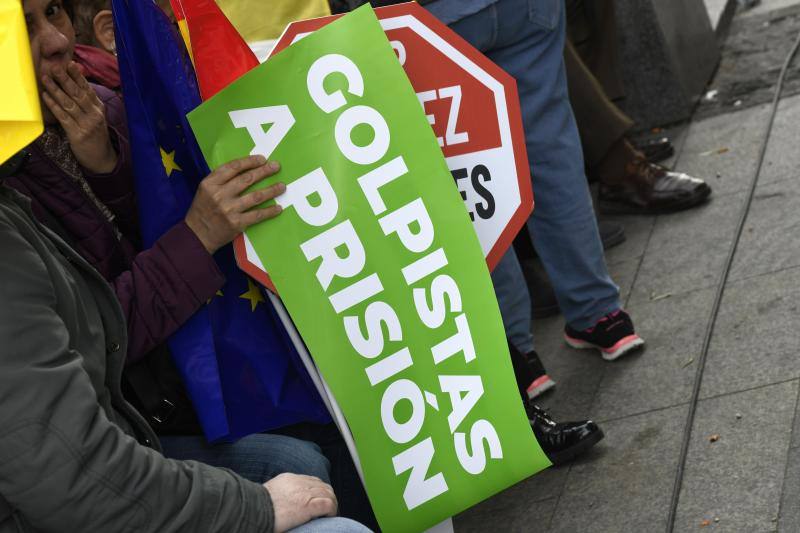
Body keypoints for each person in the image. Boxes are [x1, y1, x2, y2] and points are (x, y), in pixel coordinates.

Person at [10, 0, 379, 527]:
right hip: (135, 417)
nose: (56, 41)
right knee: (298, 457)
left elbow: (137, 239)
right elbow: (99, 338)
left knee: (325, 406)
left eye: (54, 13)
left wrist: (109, 169)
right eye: (24, 27)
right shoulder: (11, 184)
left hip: (178, 373)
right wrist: (198, 234)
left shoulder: (108, 103)